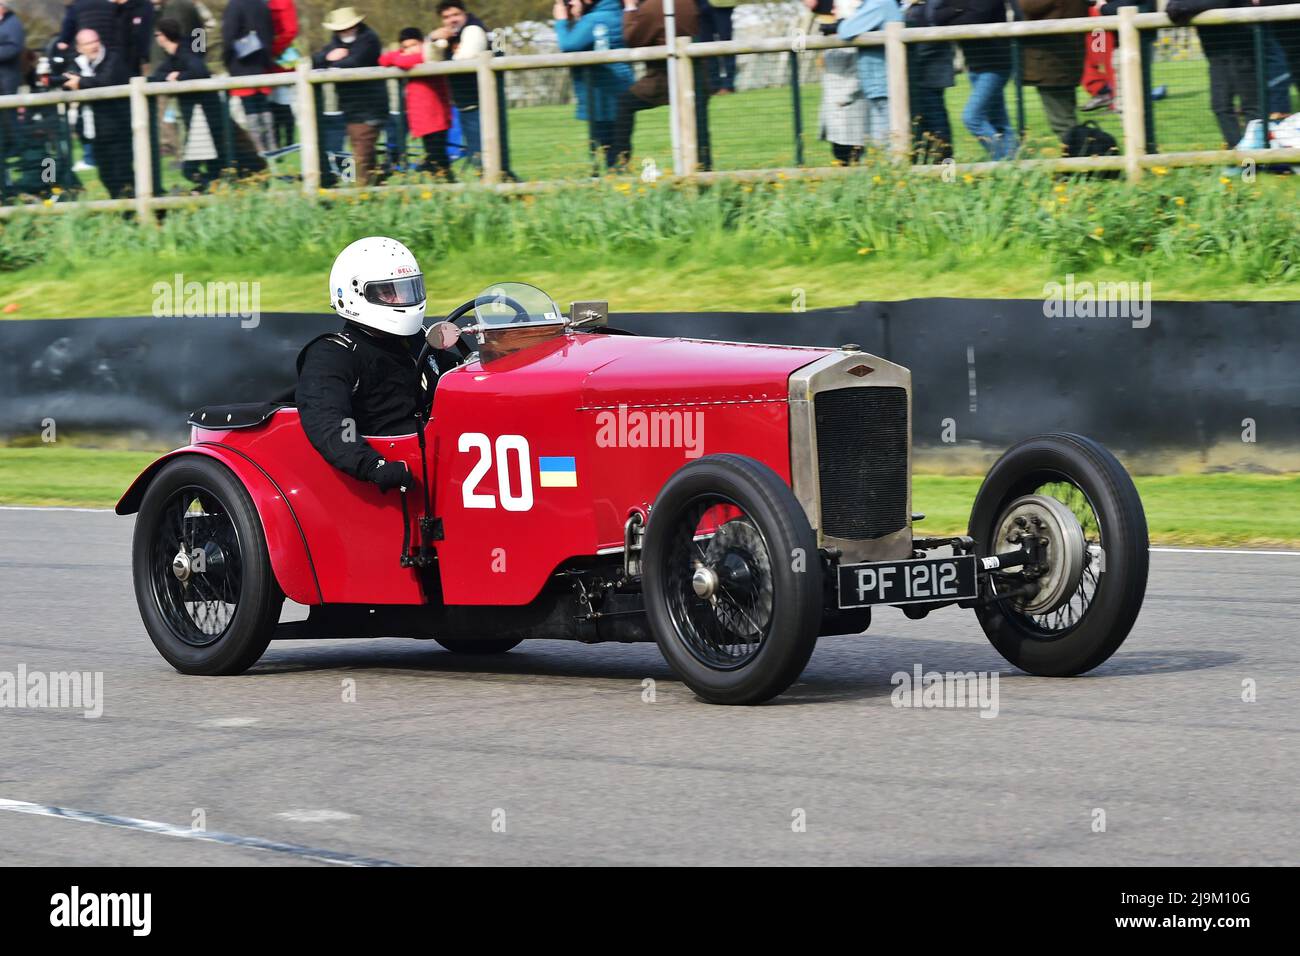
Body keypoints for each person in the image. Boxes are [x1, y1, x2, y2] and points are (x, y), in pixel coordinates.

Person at [296, 237, 460, 492]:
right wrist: (374, 465)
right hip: (399, 472)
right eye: (388, 292)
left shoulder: (418, 339)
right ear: (354, 293)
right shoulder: (333, 355)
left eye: (406, 290)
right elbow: (329, 422)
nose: (401, 299)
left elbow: (459, 376)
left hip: (444, 452)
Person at [610, 0, 699, 168]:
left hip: (663, 78)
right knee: (697, 125)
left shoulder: (651, 7)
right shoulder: (689, 3)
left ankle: (620, 164)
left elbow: (632, 39)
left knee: (625, 103)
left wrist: (630, 8)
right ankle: (702, 168)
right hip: (695, 77)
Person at [1166, 0, 1258, 147]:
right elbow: (1172, 6)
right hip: (1216, 53)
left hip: (1241, 48)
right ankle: (1239, 155)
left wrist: (1183, 7)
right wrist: (1178, 7)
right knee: (1220, 106)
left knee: (1251, 106)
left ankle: (1253, 160)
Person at [933, 0, 1017, 160]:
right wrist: (960, 9)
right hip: (974, 65)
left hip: (995, 64)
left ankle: (1006, 162)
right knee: (1000, 122)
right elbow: (937, 17)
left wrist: (955, 9)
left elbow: (974, 19)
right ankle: (1016, 162)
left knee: (972, 117)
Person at [554, 0, 633, 169]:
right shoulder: (617, 14)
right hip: (620, 93)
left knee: (606, 151)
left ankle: (613, 184)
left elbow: (569, 45)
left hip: (601, 98)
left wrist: (561, 21)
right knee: (619, 152)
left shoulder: (594, 20)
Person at [149, 16, 225, 189]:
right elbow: (156, 76)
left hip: (204, 120)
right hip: (199, 121)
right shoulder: (174, 58)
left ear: (162, 36)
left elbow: (200, 70)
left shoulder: (186, 52)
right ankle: (213, 188)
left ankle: (213, 187)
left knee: (190, 170)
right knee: (213, 167)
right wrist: (170, 77)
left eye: (156, 34)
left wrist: (180, 77)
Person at [313, 7, 385, 186]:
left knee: (361, 155)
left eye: (347, 28)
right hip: (350, 109)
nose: (343, 32)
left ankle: (358, 192)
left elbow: (355, 61)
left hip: (369, 108)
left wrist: (332, 61)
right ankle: (375, 187)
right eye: (340, 29)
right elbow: (317, 59)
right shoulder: (337, 41)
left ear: (356, 25)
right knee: (363, 152)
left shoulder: (369, 39)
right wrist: (330, 57)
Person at [63, 28, 134, 198]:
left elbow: (105, 80)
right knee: (106, 176)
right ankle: (123, 211)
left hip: (117, 129)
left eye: (95, 41)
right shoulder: (77, 63)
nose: (94, 46)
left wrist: (80, 82)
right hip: (94, 132)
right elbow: (67, 80)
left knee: (123, 174)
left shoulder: (113, 58)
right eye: (88, 43)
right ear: (80, 48)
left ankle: (136, 211)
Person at [380, 26, 454, 179]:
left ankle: (449, 188)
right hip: (423, 119)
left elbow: (405, 61)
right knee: (436, 162)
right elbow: (383, 59)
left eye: (414, 45)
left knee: (438, 161)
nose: (411, 49)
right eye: (405, 47)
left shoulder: (431, 55)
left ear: (422, 43)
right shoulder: (415, 55)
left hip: (436, 117)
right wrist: (399, 55)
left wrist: (400, 57)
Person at [836, 0, 902, 151]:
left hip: (883, 84)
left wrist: (842, 21)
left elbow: (846, 31)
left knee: (886, 146)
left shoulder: (879, 3)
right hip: (880, 84)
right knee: (881, 145)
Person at [430, 2, 489, 168]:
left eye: (455, 15)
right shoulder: (450, 37)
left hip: (478, 103)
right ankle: (350, 181)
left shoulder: (473, 31)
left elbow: (462, 62)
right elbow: (429, 61)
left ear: (464, 14)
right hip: (464, 103)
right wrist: (433, 40)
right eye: (446, 17)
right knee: (478, 155)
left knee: (482, 156)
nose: (451, 20)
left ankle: (502, 187)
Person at [1021, 0, 1088, 145]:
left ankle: (1080, 159)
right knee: (1067, 118)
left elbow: (1028, 6)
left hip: (1050, 60)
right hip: (1064, 58)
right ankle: (1083, 158)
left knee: (1062, 124)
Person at [903, 0, 954, 162]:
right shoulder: (911, 5)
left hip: (930, 74)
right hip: (917, 76)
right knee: (922, 128)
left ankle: (948, 174)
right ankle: (926, 174)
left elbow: (932, 33)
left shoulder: (932, 4)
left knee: (938, 128)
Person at [222, 0, 275, 154]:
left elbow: (228, 37)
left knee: (250, 108)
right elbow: (269, 32)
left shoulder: (234, 5)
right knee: (263, 105)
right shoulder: (262, 4)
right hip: (261, 63)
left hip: (241, 64)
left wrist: (227, 61)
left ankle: (258, 147)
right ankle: (271, 144)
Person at [696, 0, 738, 94]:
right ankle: (714, 86)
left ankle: (728, 85)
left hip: (721, 4)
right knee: (706, 47)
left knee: (726, 45)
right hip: (698, 5)